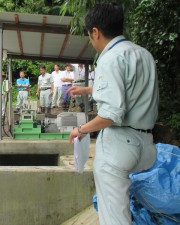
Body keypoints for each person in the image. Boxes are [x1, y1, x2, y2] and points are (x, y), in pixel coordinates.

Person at [67, 3, 159, 225]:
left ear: (95, 32)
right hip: (146, 146)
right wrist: (88, 90)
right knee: (135, 211)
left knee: (114, 217)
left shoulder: (109, 57)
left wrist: (81, 129)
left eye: (89, 35)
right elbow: (129, 90)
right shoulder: (144, 54)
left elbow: (111, 114)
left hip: (119, 146)